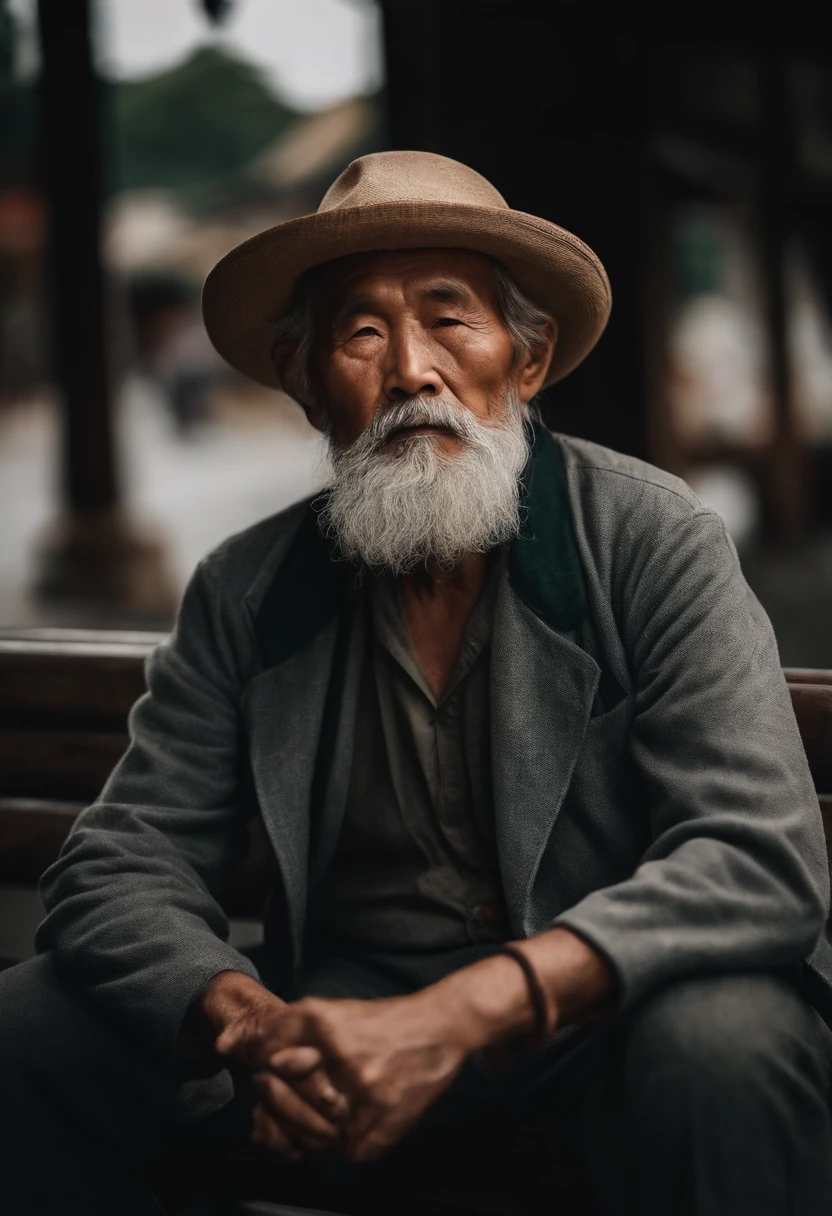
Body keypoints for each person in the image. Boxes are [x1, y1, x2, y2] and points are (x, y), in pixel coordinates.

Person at [2, 151, 832, 1216]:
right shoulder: (248, 591)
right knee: (30, 1032)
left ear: (523, 364)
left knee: (725, 1039)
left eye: (451, 320)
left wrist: (467, 1010)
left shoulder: (649, 539)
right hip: (338, 1019)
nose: (410, 369)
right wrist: (252, 1024)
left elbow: (755, 850)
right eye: (359, 333)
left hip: (599, 1014)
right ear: (308, 389)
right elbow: (118, 862)